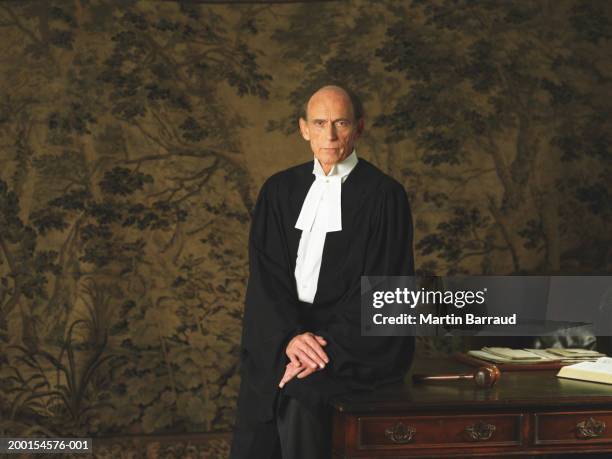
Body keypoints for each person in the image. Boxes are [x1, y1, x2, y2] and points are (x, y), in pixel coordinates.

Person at [230, 85, 415, 459]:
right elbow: (267, 280)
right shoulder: (278, 191)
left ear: (358, 128)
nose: (329, 136)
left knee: (300, 395)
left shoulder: (385, 196)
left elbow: (384, 289)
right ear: (303, 129)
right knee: (263, 393)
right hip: (286, 333)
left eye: (340, 123)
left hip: (354, 343)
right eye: (319, 123)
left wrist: (318, 348)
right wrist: (291, 339)